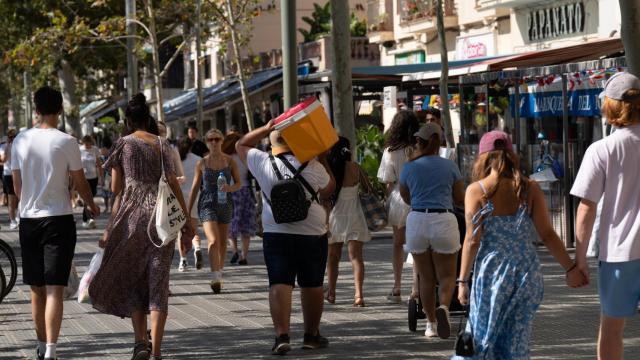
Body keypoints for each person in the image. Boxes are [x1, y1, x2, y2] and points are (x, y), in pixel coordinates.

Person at [455, 131, 585, 359]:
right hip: (526, 272)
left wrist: (462, 281)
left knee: (483, 338)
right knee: (516, 341)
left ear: (483, 158)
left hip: (492, 273)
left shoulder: (476, 191)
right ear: (512, 155)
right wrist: (571, 269)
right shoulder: (529, 188)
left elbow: (472, 240)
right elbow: (547, 234)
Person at [89, 94, 194, 360]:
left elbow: (115, 189)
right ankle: (157, 350)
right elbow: (172, 182)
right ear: (148, 119)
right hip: (161, 220)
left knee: (135, 280)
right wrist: (185, 221)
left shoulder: (123, 144)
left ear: (127, 120)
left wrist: (108, 229)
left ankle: (139, 343)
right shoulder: (162, 144)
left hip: (132, 219)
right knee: (158, 283)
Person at [12, 86, 100, 360]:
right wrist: (91, 205)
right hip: (59, 219)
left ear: (35, 109)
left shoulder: (20, 141)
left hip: (28, 220)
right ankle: (51, 350)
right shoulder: (67, 141)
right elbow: (82, 183)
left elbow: (17, 188)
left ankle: (40, 347)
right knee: (55, 288)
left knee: (36, 289)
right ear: (61, 109)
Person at [236, 124, 335, 355]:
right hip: (312, 232)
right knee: (312, 285)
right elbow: (329, 190)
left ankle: (282, 335)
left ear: (272, 144)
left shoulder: (262, 162)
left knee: (280, 283)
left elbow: (241, 143)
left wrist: (266, 127)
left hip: (276, 232)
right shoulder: (312, 165)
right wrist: (322, 157)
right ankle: (311, 335)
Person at [571, 72, 640, 360]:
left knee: (612, 329)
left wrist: (579, 259)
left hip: (619, 254)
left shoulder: (603, 149)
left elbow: (587, 207)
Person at [398, 123, 465, 339]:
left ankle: (430, 324)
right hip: (444, 219)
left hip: (417, 219)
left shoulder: (409, 167)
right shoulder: (450, 166)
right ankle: (443, 307)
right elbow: (459, 198)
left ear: (420, 142)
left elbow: (406, 197)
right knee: (447, 276)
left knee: (425, 277)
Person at [187, 129, 241, 294]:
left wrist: (230, 187)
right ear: (207, 142)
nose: (214, 142)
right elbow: (195, 188)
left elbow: (239, 183)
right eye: (211, 140)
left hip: (225, 202)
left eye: (217, 139)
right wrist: (187, 213)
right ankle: (215, 276)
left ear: (222, 141)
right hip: (207, 203)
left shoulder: (230, 161)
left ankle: (219, 272)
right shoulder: (201, 163)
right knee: (213, 240)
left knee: (223, 243)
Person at [377, 110, 420, 302]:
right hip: (418, 197)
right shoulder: (420, 147)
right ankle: (415, 288)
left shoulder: (390, 151)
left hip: (397, 197)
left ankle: (396, 287)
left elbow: (387, 180)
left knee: (397, 244)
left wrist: (391, 200)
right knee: (417, 246)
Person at [325, 136, 370, 307]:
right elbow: (368, 189)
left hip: (335, 217)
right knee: (356, 258)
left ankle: (331, 293)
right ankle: (358, 295)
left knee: (333, 258)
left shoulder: (330, 168)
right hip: (355, 216)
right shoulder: (355, 168)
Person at [223, 132, 257, 265]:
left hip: (230, 192)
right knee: (245, 225)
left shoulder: (225, 158)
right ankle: (244, 256)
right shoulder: (245, 156)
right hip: (245, 191)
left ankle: (235, 251)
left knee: (230, 223)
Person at [176, 138, 203, 272]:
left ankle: (183, 261)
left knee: (181, 232)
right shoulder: (198, 159)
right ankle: (197, 248)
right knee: (193, 230)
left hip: (178, 199)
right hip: (194, 198)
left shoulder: (175, 160)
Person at [79, 135, 103, 229]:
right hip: (84, 177)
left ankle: (88, 219)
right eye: (86, 144)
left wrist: (101, 177)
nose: (88, 146)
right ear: (83, 143)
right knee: (86, 198)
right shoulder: (79, 150)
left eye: (89, 144)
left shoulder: (95, 149)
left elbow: (99, 164)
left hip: (94, 177)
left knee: (91, 198)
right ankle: (88, 219)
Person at [3, 129, 19, 229]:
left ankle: (18, 217)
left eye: (14, 136)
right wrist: (7, 146)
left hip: (19, 173)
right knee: (11, 198)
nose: (12, 138)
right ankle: (12, 220)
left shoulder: (19, 145)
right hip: (8, 174)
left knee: (21, 197)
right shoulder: (4, 146)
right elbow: (3, 159)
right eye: (10, 137)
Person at [99, 138, 113, 213]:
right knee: (105, 193)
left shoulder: (111, 156)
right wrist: (101, 178)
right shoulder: (102, 157)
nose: (102, 150)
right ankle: (107, 207)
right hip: (105, 176)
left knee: (110, 193)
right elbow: (100, 168)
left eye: (103, 149)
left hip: (110, 175)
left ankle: (110, 208)